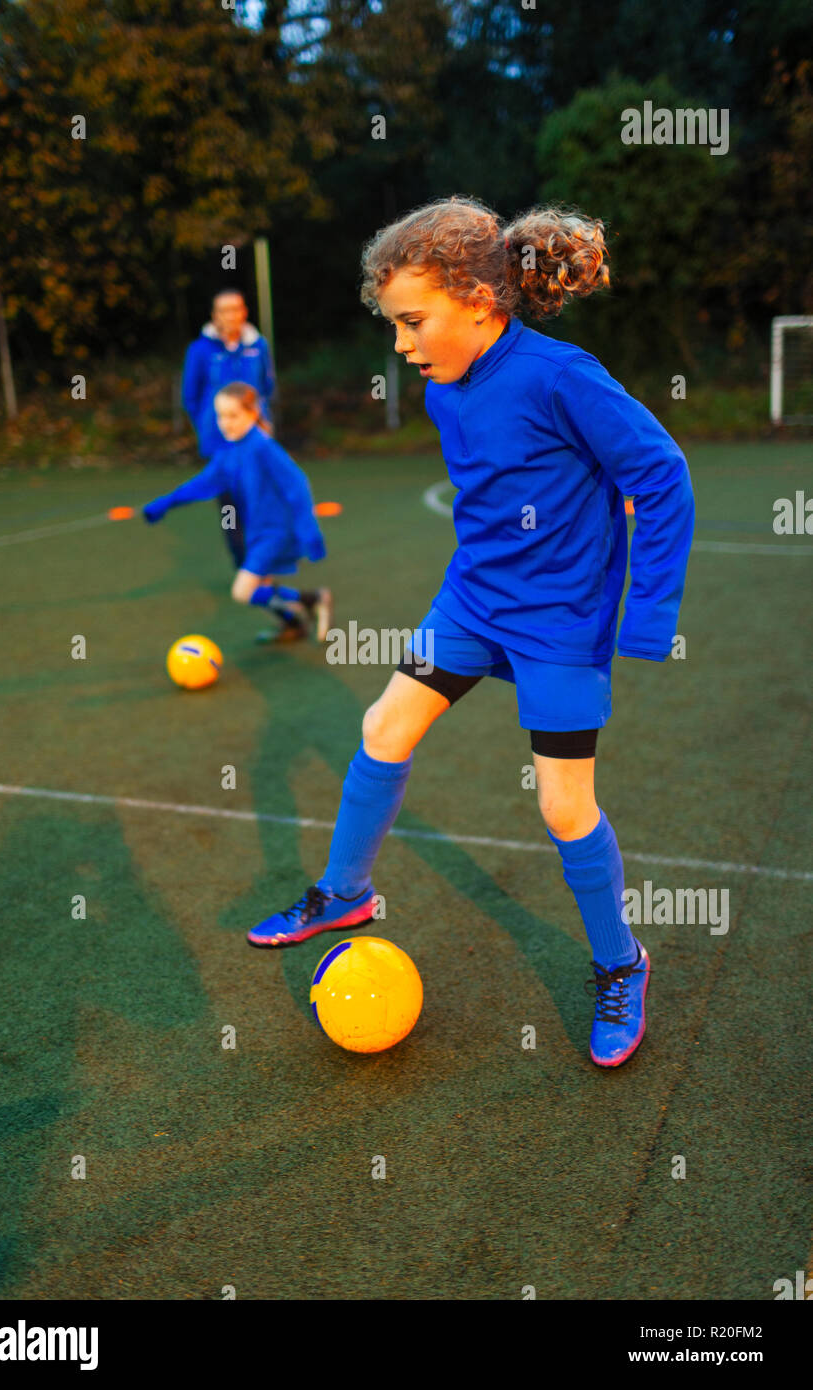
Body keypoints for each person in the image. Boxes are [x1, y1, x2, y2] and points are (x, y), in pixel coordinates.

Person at [245, 195, 696, 1071]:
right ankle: (344, 892)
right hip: (474, 604)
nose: (404, 345)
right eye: (394, 327)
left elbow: (662, 473)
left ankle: (621, 963)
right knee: (384, 725)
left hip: (559, 624)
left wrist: (647, 614)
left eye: (414, 322)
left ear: (481, 304)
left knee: (563, 806)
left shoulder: (562, 378)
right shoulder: (446, 388)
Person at [144, 382, 332, 645]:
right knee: (262, 587)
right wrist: (167, 503)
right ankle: (304, 611)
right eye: (220, 415)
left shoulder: (262, 447)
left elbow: (296, 485)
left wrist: (308, 530)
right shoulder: (229, 452)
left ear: (252, 413)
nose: (225, 423)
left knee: (243, 591)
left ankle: (305, 604)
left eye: (233, 415)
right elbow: (202, 483)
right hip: (256, 531)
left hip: (276, 532)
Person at [181, 289, 276, 567]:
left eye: (235, 309)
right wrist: (208, 427)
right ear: (215, 316)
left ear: (244, 312)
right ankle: (244, 563)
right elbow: (190, 396)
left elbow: (267, 388)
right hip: (219, 443)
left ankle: (260, 560)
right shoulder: (199, 350)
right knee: (230, 506)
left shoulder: (258, 346)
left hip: (256, 440)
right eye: (224, 310)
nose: (230, 316)